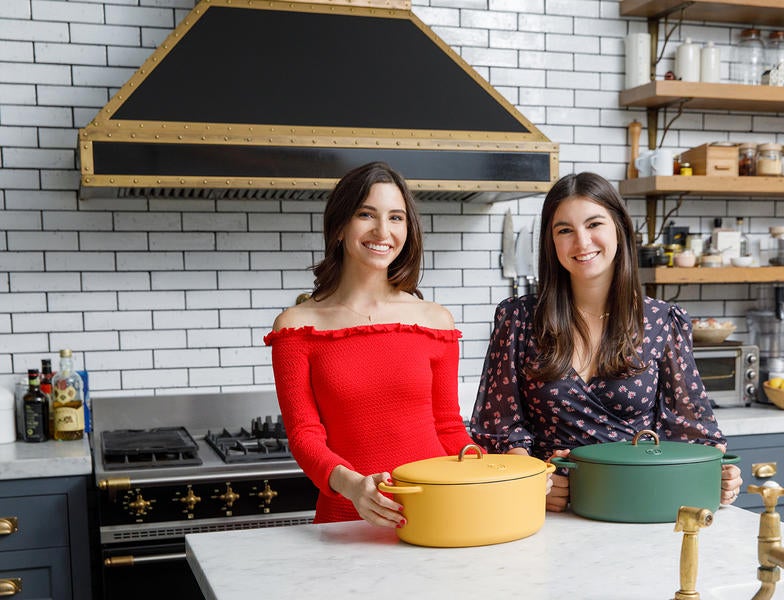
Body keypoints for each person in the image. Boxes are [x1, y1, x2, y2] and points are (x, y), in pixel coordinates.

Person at [470, 172, 743, 512]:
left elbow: (693, 432)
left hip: (644, 505)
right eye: (564, 230)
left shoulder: (661, 321)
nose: (581, 242)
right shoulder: (519, 319)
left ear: (619, 228)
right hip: (550, 513)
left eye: (594, 224)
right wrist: (530, 480)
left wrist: (717, 475)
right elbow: (500, 427)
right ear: (551, 242)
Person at [265, 161, 475, 527]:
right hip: (347, 519)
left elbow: (448, 426)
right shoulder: (297, 326)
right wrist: (353, 486)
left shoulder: (435, 320)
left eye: (396, 218)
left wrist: (494, 474)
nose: (383, 230)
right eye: (367, 214)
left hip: (437, 513)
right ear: (340, 226)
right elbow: (304, 435)